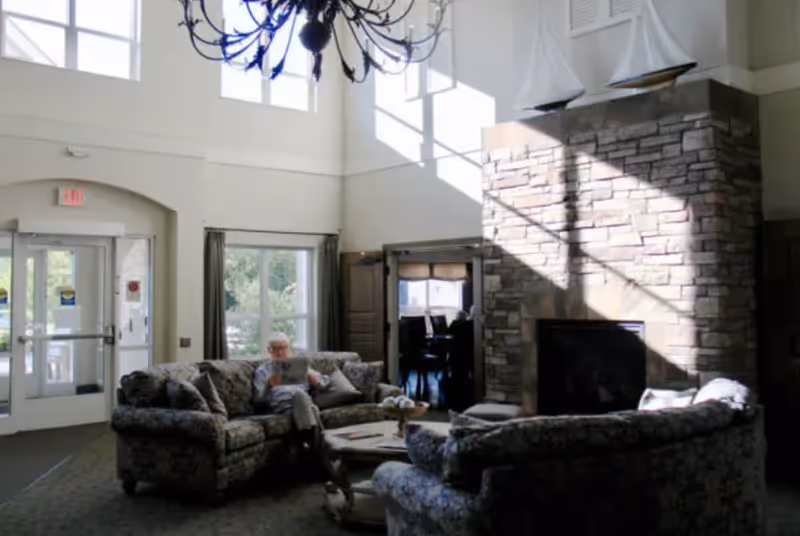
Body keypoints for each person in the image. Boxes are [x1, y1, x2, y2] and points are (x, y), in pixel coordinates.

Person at [260, 333, 326, 452]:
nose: (280, 353)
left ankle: (310, 448)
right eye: (275, 349)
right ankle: (320, 448)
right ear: (269, 350)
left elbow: (324, 383)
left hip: (303, 403)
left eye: (283, 348)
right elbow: (258, 400)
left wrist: (315, 380)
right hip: (281, 405)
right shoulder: (263, 370)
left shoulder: (299, 366)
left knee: (304, 399)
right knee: (310, 406)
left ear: (288, 349)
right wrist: (268, 386)